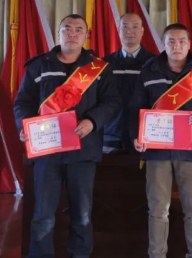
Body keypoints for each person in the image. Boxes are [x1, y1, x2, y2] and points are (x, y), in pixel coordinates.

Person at [14, 14, 121, 258]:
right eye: (67, 29)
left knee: (82, 215)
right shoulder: (39, 66)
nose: (72, 33)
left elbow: (113, 101)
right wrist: (24, 125)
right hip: (47, 151)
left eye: (78, 29)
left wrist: (92, 121)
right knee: (43, 215)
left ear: (86, 35)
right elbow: (23, 102)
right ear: (59, 32)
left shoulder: (99, 69)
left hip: (83, 151)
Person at [129, 23, 192, 258]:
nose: (177, 46)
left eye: (182, 41)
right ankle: (157, 255)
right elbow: (135, 107)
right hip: (157, 151)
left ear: (189, 44)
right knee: (157, 210)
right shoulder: (149, 70)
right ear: (163, 44)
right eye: (171, 41)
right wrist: (136, 135)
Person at [103, 12, 156, 153]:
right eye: (125, 26)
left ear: (142, 31)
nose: (129, 31)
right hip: (111, 133)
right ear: (118, 30)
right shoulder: (105, 63)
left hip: (144, 134)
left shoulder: (155, 64)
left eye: (135, 26)